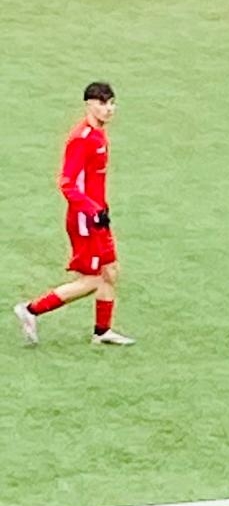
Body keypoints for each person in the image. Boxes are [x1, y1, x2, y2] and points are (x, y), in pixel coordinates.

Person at [14, 81, 135, 348]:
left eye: (111, 103)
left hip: (99, 215)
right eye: (102, 103)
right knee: (92, 280)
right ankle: (31, 310)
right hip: (85, 219)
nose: (108, 109)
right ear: (88, 104)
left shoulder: (99, 134)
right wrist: (92, 211)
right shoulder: (82, 139)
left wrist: (102, 209)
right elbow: (67, 183)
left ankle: (102, 332)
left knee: (110, 271)